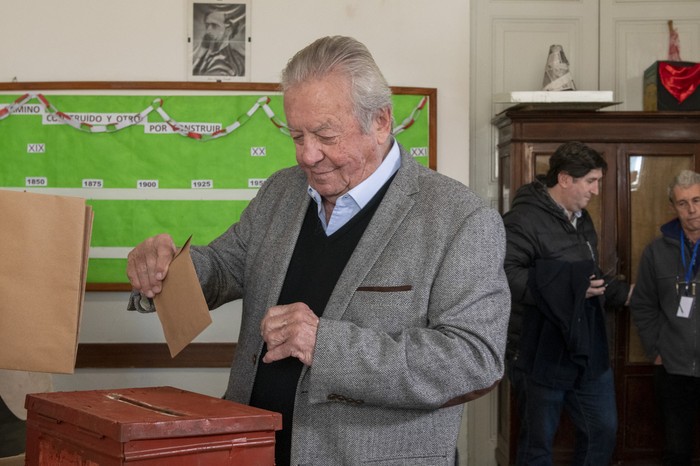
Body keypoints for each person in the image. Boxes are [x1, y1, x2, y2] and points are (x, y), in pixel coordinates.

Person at [127, 36, 510, 466]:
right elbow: (221, 267)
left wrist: (325, 345)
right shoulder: (280, 191)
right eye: (296, 135)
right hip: (252, 452)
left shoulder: (461, 220)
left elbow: (474, 360)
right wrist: (168, 267)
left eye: (326, 134)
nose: (308, 155)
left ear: (381, 121)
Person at [502, 141, 631, 465]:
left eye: (597, 181)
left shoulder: (582, 219)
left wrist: (625, 293)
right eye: (591, 181)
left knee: (602, 429)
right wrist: (570, 290)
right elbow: (507, 276)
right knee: (537, 443)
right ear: (564, 179)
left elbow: (586, 276)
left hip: (584, 345)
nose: (596, 191)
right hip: (539, 351)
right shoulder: (521, 220)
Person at [630, 169, 700, 466]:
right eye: (683, 203)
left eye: (697, 200)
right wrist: (656, 350)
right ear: (673, 206)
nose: (692, 210)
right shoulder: (656, 251)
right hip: (673, 368)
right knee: (677, 450)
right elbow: (643, 304)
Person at [192, 4, 245, 77]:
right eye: (207, 25)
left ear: (228, 31)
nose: (208, 31)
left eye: (214, 25)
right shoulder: (204, 56)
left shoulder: (235, 62)